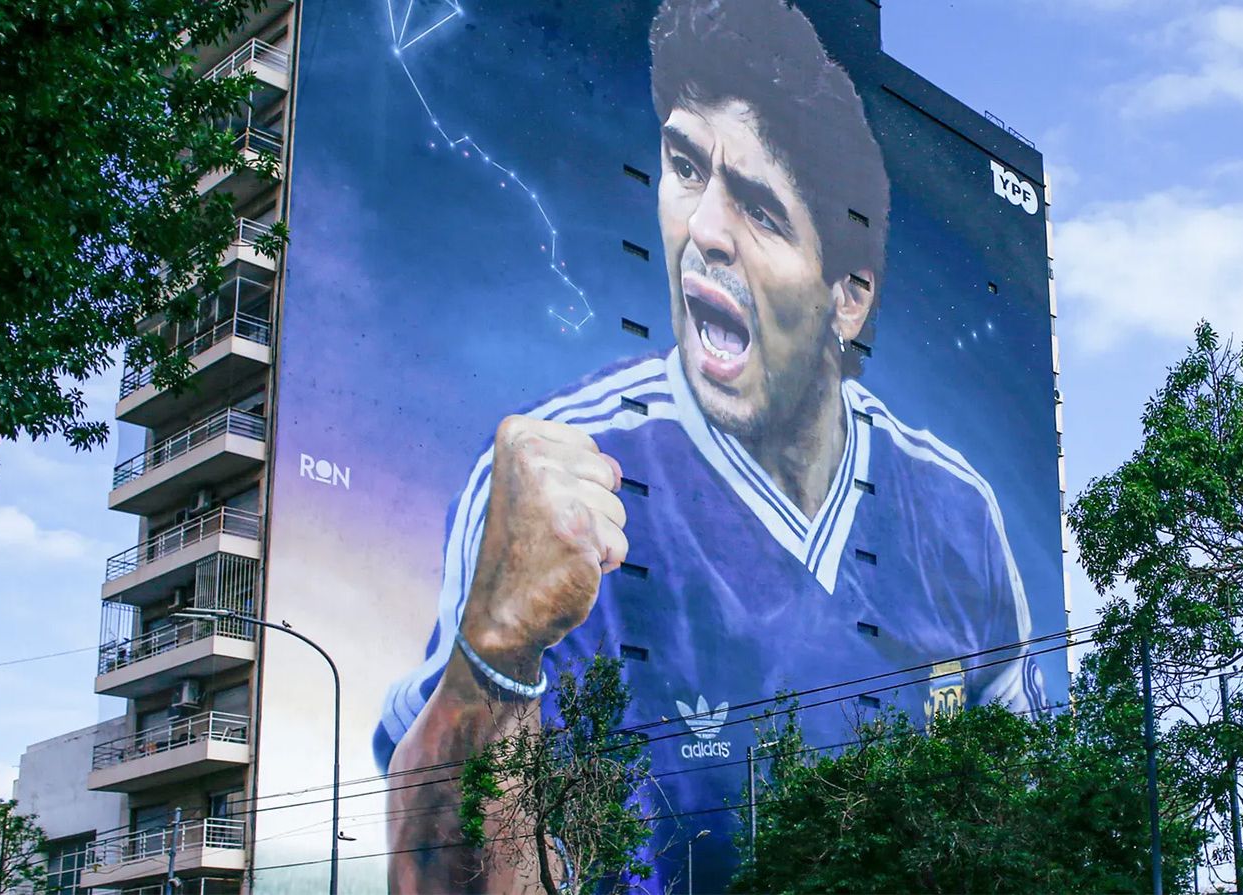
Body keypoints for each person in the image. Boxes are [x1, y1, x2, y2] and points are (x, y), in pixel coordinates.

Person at [377, 0, 1045, 889]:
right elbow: (433, 876)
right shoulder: (548, 485)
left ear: (848, 298)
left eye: (762, 211)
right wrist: (494, 655)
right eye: (686, 166)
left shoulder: (959, 516)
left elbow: (1035, 822)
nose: (702, 231)